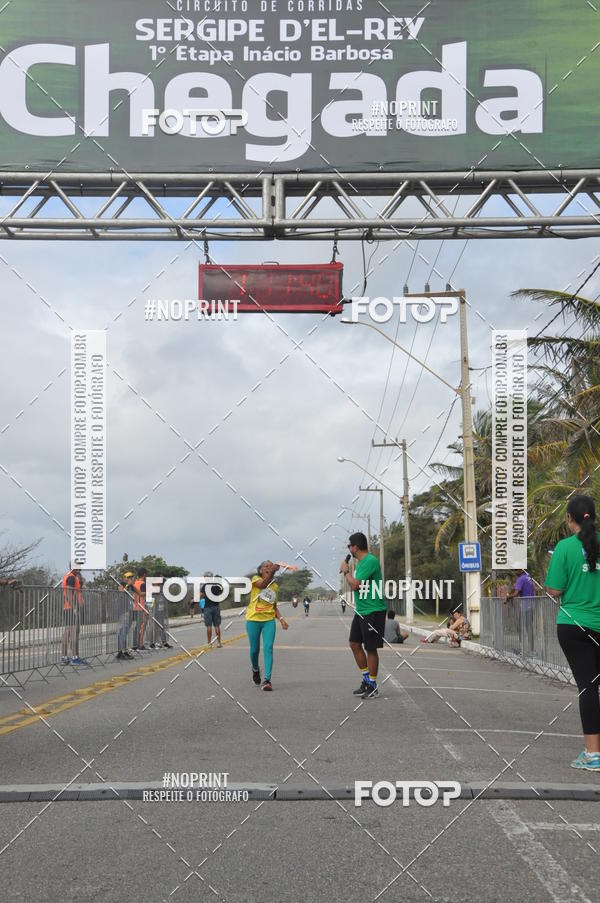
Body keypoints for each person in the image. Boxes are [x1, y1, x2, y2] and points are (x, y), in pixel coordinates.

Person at [545, 494, 600, 772]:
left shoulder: (565, 547)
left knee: (588, 688)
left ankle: (593, 754)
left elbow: (554, 589)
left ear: (570, 519)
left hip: (574, 625)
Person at [340, 532, 386, 699]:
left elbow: (355, 585)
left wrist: (346, 571)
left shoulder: (369, 561)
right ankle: (366, 680)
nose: (349, 549)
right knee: (354, 643)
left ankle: (372, 686)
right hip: (362, 610)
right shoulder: (361, 563)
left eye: (349, 546)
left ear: (355, 547)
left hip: (373, 611)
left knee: (370, 648)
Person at [246, 560, 293, 691]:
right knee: (254, 650)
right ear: (260, 570)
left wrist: (281, 619)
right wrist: (272, 570)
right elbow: (263, 585)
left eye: (270, 566)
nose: (269, 568)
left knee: (268, 648)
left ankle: (267, 680)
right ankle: (255, 669)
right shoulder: (255, 580)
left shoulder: (275, 587)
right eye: (266, 566)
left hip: (268, 621)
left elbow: (274, 606)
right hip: (253, 619)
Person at [60, 567, 87, 665]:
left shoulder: (71, 576)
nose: (80, 569)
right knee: (74, 633)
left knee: (68, 632)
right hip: (71, 608)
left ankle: (64, 657)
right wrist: (74, 607)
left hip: (68, 608)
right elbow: (68, 592)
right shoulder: (71, 577)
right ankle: (75, 657)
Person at [201, 571, 223, 648]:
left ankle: (209, 643)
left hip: (207, 608)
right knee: (217, 626)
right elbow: (221, 592)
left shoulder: (205, 586)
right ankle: (219, 643)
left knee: (209, 626)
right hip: (216, 607)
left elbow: (200, 595)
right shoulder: (217, 585)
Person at [116, 572, 135, 660]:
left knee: (125, 632)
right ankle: (122, 651)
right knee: (123, 632)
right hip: (123, 611)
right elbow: (120, 593)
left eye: (132, 577)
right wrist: (127, 585)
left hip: (129, 610)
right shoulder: (122, 584)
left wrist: (131, 585)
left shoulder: (131, 586)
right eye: (130, 577)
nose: (131, 579)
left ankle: (123, 650)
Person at [132, 568, 148, 651]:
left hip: (135, 606)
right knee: (142, 626)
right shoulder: (143, 584)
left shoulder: (135, 583)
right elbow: (144, 596)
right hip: (142, 607)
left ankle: (135, 644)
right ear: (144, 574)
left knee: (137, 626)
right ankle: (140, 644)